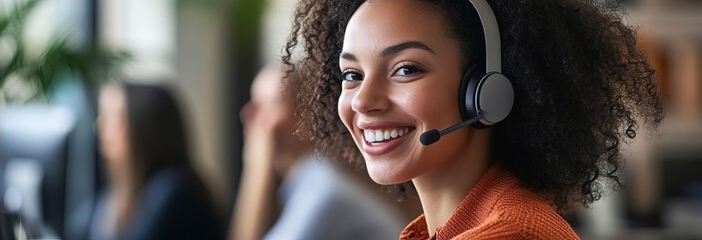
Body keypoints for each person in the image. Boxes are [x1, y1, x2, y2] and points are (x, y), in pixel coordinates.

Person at [282, 0, 664, 239]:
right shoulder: (444, 230)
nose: (364, 100)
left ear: (486, 93)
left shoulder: (512, 234)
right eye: (352, 75)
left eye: (406, 69)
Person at [230, 63, 406, 240]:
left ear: (306, 117)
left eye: (267, 104)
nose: (248, 113)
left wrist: (257, 168)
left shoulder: (323, 191)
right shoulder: (308, 180)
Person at [72, 82, 223, 240]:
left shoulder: (174, 191)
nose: (100, 126)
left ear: (145, 125)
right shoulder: (114, 197)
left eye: (114, 117)